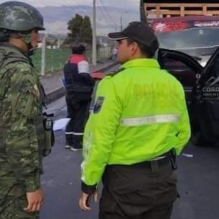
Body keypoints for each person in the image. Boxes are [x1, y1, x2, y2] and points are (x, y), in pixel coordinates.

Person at [78, 21, 191, 219]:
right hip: (164, 181)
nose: (116, 47)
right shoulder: (173, 83)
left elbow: (98, 139)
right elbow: (184, 133)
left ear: (133, 47)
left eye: (119, 43)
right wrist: (162, 154)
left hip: (125, 183)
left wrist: (89, 183)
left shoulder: (113, 84)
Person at [0, 1, 53, 218]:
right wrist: (31, 185)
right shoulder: (19, 70)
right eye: (35, 31)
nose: (38, 37)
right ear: (21, 32)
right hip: (11, 174)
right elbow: (19, 132)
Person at [64, 44, 95, 151]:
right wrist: (92, 81)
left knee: (71, 117)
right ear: (83, 52)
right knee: (80, 118)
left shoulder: (67, 63)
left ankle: (68, 141)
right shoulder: (82, 61)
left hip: (70, 93)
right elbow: (84, 76)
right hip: (81, 94)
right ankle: (76, 144)